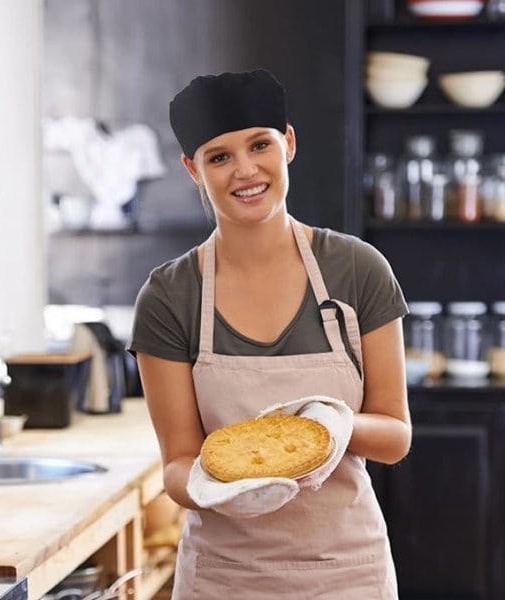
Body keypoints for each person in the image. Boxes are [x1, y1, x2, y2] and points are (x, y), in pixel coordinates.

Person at [128, 69, 411, 599]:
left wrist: (330, 423)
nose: (245, 170)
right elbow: (177, 463)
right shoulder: (169, 296)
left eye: (260, 145)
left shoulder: (357, 269)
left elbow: (395, 436)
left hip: (348, 573)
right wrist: (222, 491)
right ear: (193, 169)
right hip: (224, 577)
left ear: (289, 143)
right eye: (219, 157)